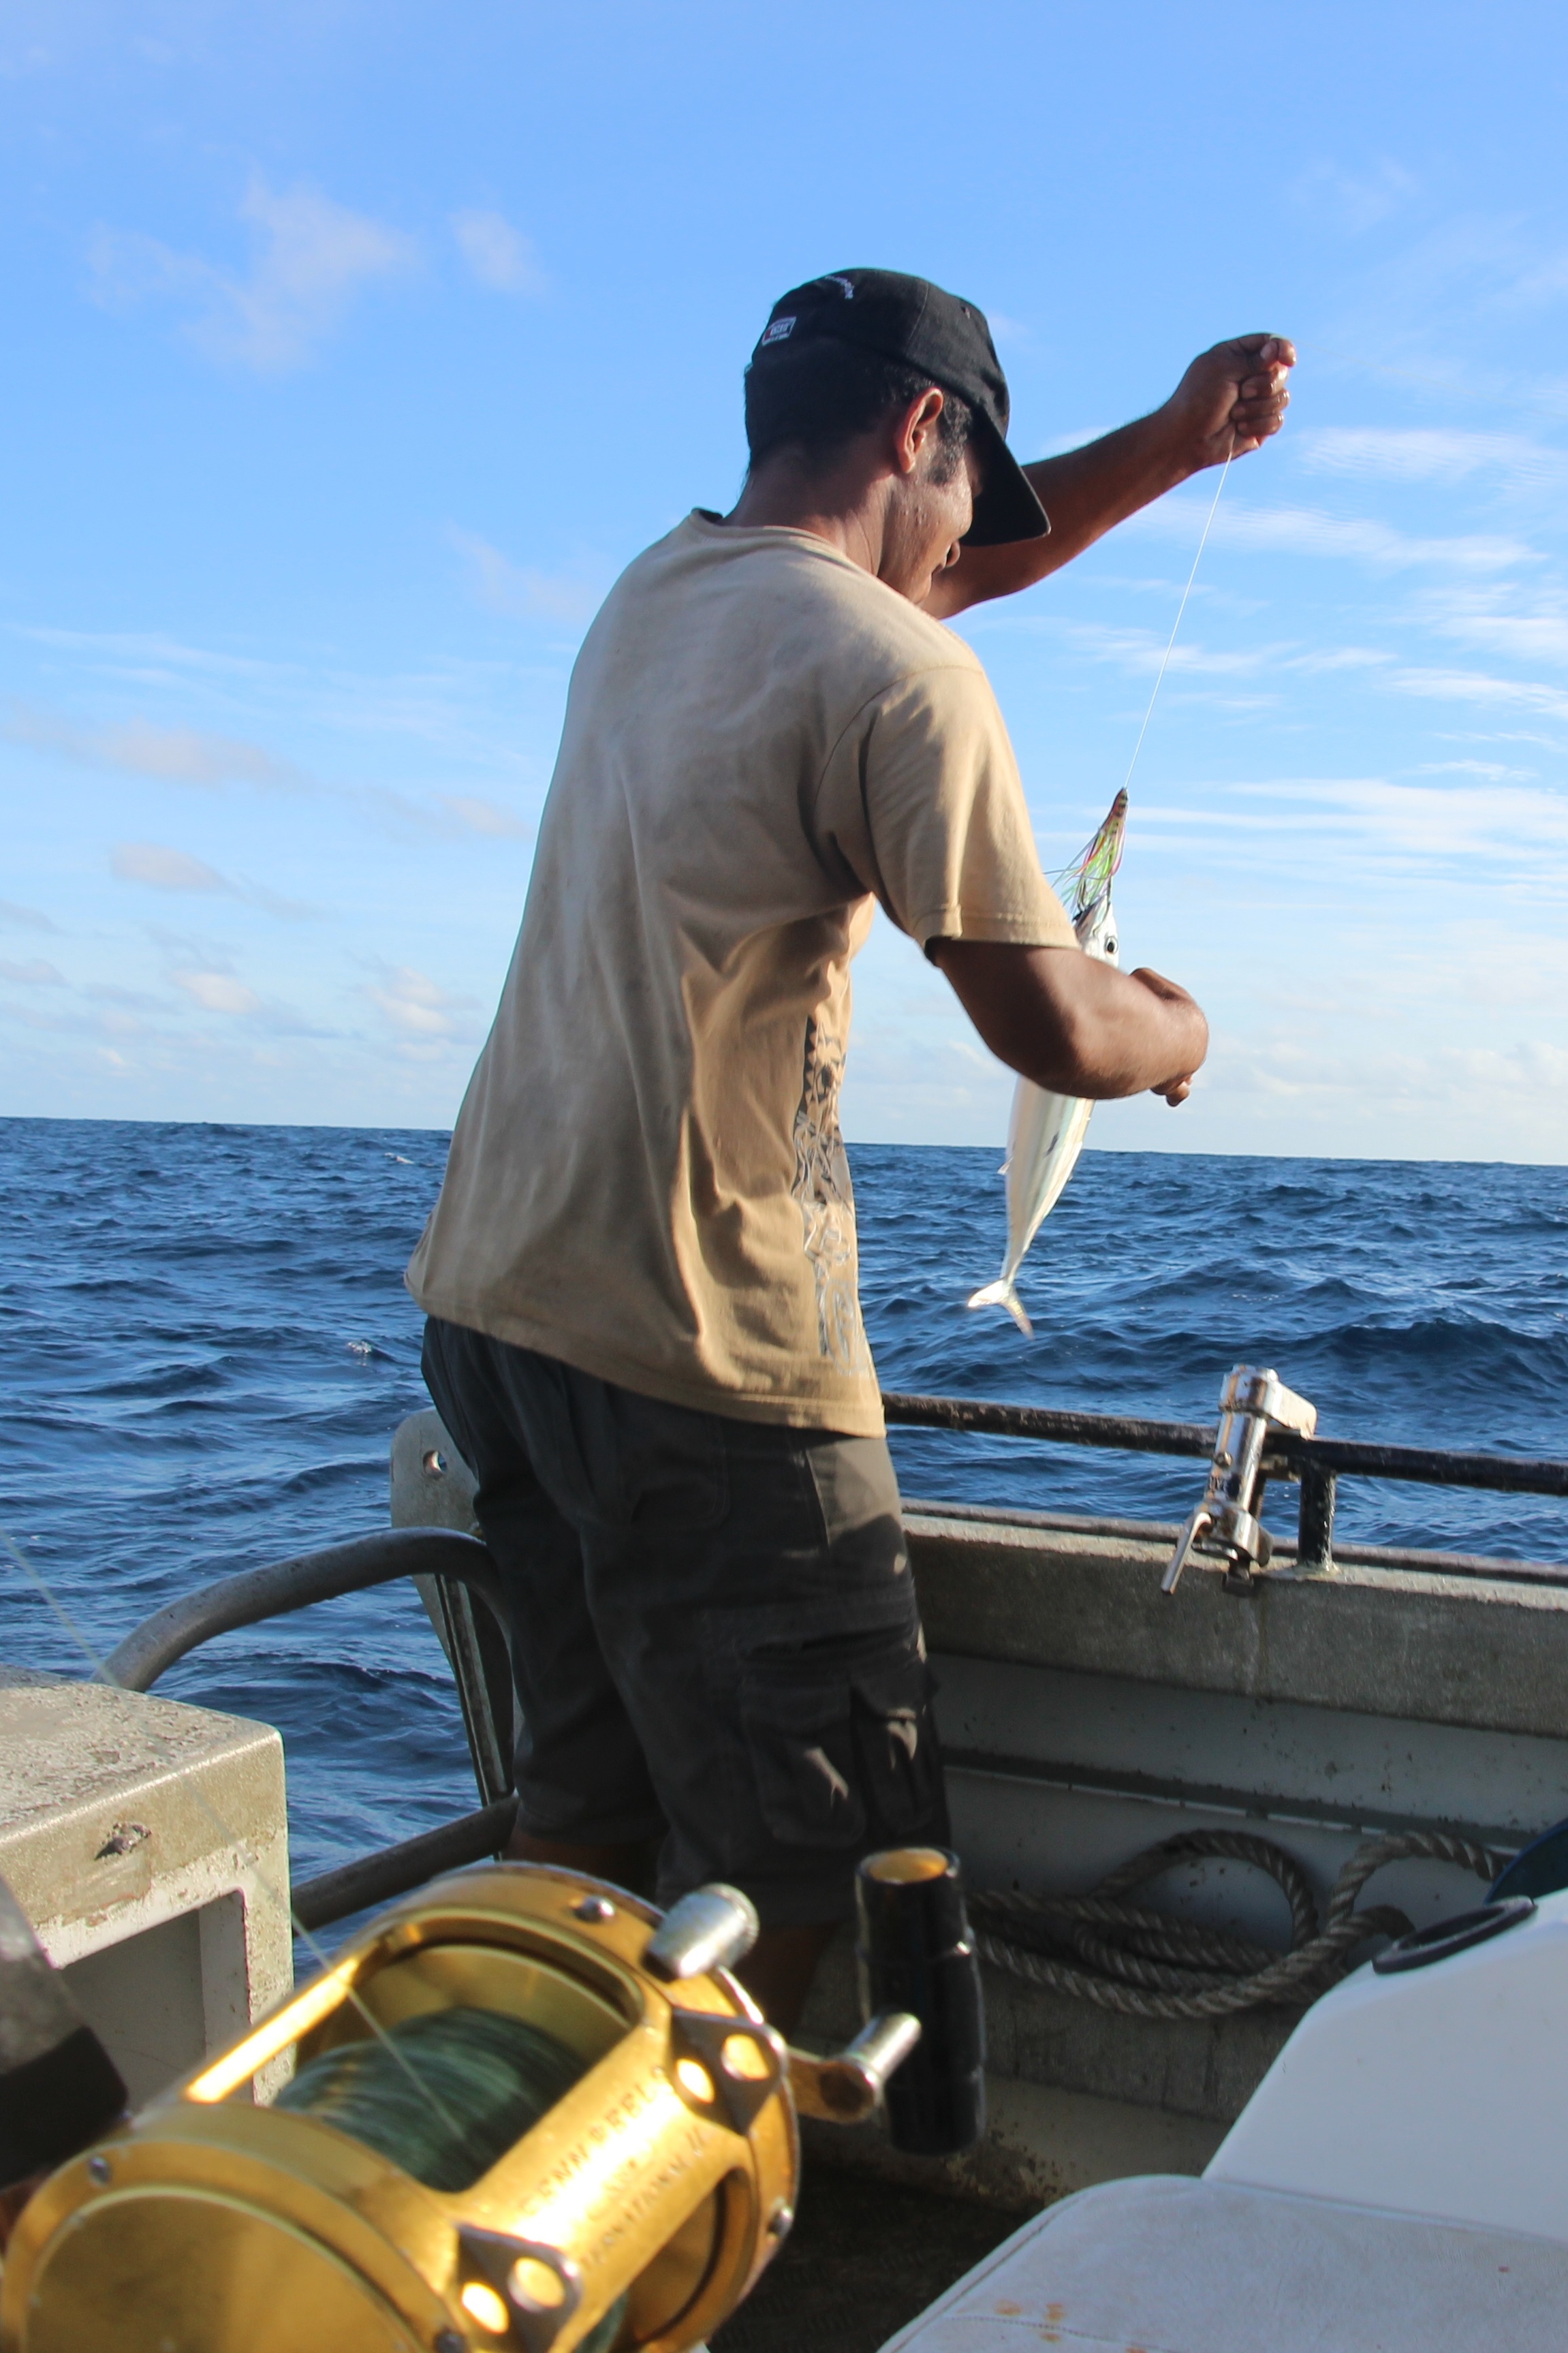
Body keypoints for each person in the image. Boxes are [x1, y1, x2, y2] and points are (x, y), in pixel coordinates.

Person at [408, 270, 1293, 2027]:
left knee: (581, 1821)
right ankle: (661, 2244)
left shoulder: (655, 593)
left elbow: (951, 569)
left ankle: (507, 2224)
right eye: (970, 482)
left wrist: (1184, 451)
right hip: (700, 1350)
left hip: (494, 1311)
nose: (969, 545)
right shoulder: (905, 676)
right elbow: (1053, 1023)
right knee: (806, 1866)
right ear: (918, 433)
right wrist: (1184, 1035)